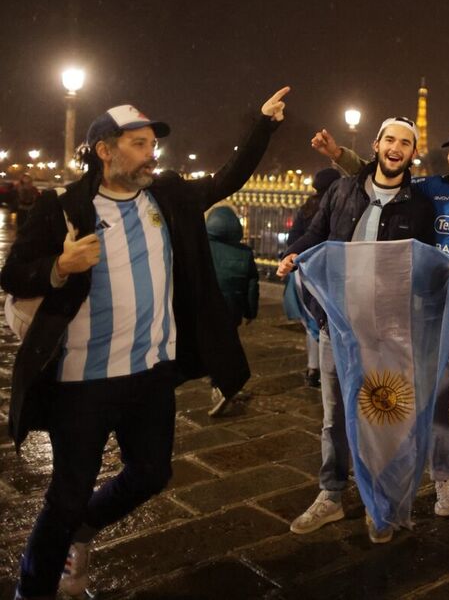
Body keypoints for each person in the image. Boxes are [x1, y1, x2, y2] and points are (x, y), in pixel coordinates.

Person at [1, 90, 287, 600]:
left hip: (152, 374)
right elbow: (11, 273)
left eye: (152, 143)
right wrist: (59, 268)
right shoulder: (62, 207)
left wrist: (261, 125)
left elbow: (227, 178)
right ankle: (35, 589)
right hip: (83, 382)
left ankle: (84, 530)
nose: (151, 153)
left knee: (153, 473)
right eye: (139, 143)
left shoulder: (168, 196)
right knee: (63, 499)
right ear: (105, 150)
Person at [316, 124, 449, 522]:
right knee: (433, 411)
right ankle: (444, 478)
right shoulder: (430, 189)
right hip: (430, 321)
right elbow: (380, 169)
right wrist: (338, 155)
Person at [277, 116, 435, 544]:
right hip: (338, 324)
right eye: (390, 140)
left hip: (385, 330)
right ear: (376, 144)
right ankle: (331, 493)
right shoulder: (343, 189)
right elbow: (316, 234)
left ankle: (377, 498)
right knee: (333, 418)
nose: (396, 148)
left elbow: (424, 266)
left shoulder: (419, 206)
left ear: (412, 152)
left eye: (406, 142)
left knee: (378, 413)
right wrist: (293, 254)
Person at [286, 168, 341, 387]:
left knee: (312, 321)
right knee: (327, 322)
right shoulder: (335, 207)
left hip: (305, 270)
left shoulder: (307, 208)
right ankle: (327, 370)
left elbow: (295, 239)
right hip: (328, 271)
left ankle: (312, 368)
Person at [205, 205, 260, 416]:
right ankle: (222, 385)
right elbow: (252, 286)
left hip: (207, 306)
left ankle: (219, 386)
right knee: (226, 345)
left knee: (211, 347)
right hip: (232, 308)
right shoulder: (244, 253)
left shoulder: (203, 248)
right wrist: (250, 312)